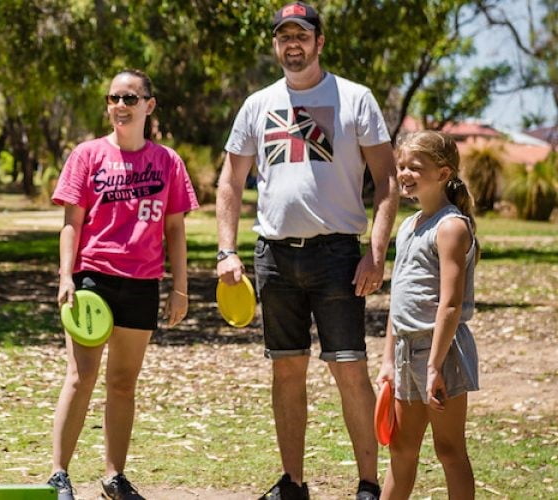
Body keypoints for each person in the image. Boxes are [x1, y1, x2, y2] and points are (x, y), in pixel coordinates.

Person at [216, 3, 398, 499]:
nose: (292, 44)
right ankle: (293, 484)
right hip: (273, 257)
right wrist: (225, 251)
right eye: (284, 36)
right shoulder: (257, 104)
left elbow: (387, 181)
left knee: (349, 367)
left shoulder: (355, 99)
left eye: (302, 35)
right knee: (287, 368)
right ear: (275, 44)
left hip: (338, 256)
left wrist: (376, 253)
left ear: (320, 42)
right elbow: (230, 181)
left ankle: (367, 483)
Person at [46, 69, 198, 500]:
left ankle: (114, 476)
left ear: (149, 105)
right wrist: (66, 277)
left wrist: (180, 287)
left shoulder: (168, 162)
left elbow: (175, 230)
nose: (121, 106)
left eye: (130, 98)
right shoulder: (87, 155)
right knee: (81, 376)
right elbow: (70, 225)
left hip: (142, 283)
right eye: (114, 98)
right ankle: (59, 474)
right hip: (93, 279)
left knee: (123, 382)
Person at [377, 131, 479, 499]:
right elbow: (399, 298)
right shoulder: (409, 225)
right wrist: (388, 359)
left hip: (442, 352)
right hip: (406, 352)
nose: (405, 173)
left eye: (415, 167)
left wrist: (434, 366)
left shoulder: (451, 227)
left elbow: (450, 305)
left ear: (443, 172)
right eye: (401, 166)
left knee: (449, 451)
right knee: (401, 450)